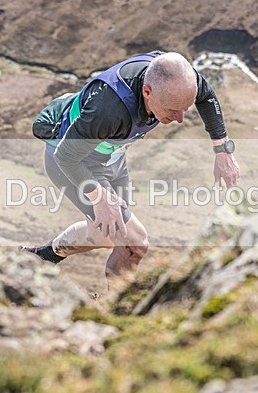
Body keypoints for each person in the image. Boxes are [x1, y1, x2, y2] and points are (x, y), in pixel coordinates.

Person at [22, 51, 239, 278]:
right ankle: (115, 304)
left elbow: (207, 97)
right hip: (74, 163)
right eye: (172, 110)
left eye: (184, 109)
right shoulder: (108, 110)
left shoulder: (174, 79)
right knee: (134, 243)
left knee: (106, 236)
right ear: (147, 91)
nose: (179, 119)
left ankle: (43, 256)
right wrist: (99, 197)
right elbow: (65, 156)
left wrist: (222, 151)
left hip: (112, 157)